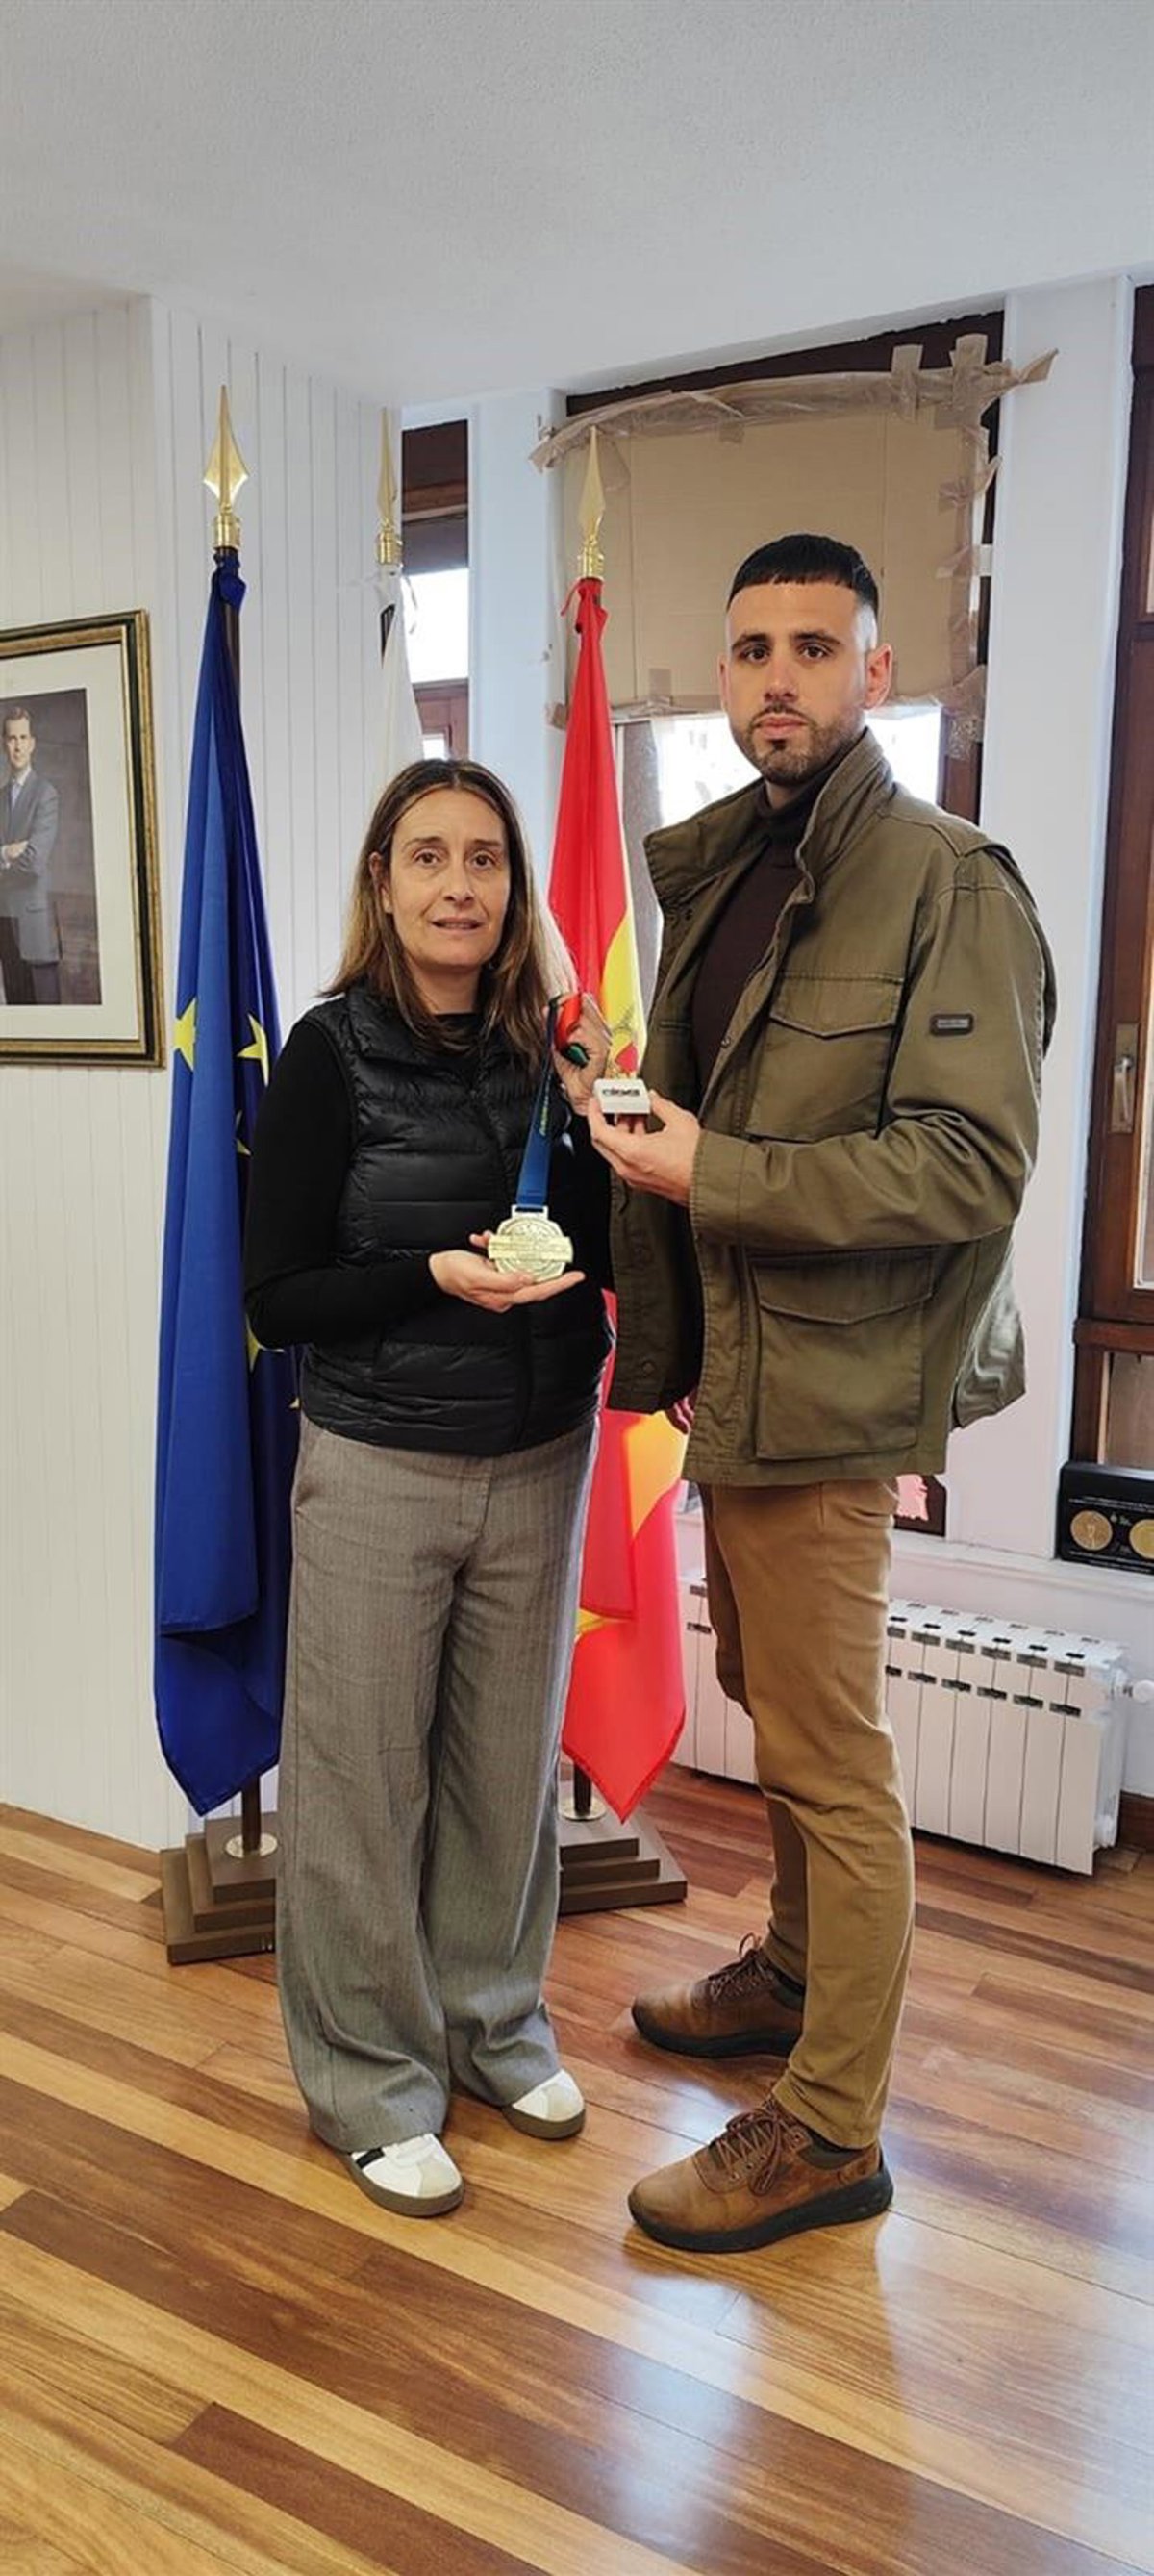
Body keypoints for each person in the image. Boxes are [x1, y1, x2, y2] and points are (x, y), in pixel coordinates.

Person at [591, 533, 1056, 2256]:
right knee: (773, 1705)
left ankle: (831, 2127)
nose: (776, 675)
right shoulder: (736, 866)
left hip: (840, 1395)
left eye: (812, 644)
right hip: (740, 1378)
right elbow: (722, 1115)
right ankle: (792, 1974)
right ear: (723, 680)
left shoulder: (946, 878)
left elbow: (967, 1164)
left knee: (831, 1759)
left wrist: (711, 1165)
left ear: (875, 671)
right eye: (750, 649)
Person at [244, 757, 612, 2218]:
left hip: (541, 1457)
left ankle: (492, 2024)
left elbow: (599, 1246)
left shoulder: (551, 1051)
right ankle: (371, 2083)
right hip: (381, 1464)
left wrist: (604, 1122)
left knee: (506, 1774)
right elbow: (280, 1294)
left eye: (486, 859)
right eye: (430, 856)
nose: (461, 885)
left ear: (516, 887)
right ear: (383, 882)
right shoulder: (328, 1053)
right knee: (360, 1786)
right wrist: (432, 1276)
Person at [0, 708, 61, 1004]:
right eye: (12, 738)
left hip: (35, 928)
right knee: (16, 1014)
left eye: (23, 737)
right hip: (4, 923)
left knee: (46, 1016)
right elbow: (20, 858)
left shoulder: (45, 794)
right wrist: (7, 852)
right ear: (4, 744)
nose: (18, 746)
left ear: (33, 743)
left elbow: (35, 862)